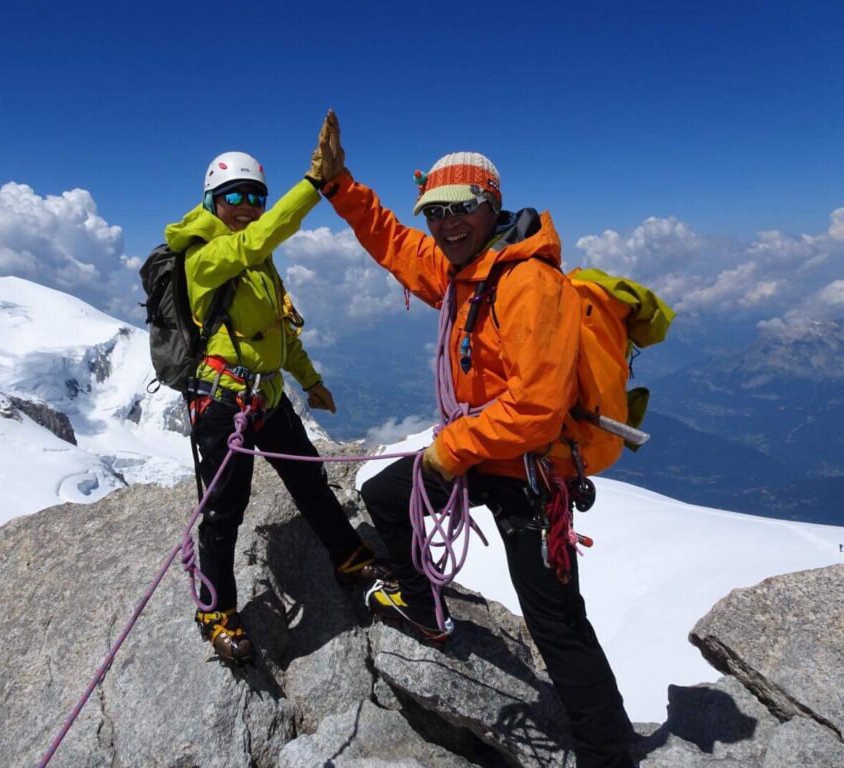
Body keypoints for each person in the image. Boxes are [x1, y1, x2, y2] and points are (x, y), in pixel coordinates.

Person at [316, 115, 636, 767]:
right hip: (478, 453)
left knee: (555, 624)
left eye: (462, 208)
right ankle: (424, 608)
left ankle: (609, 754)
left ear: (491, 206)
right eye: (436, 211)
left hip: (530, 475)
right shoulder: (462, 272)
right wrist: (338, 185)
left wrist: (449, 452)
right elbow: (394, 243)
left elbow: (539, 409)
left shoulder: (527, 283)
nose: (446, 223)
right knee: (385, 495)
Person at [163, 113, 389, 666]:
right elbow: (257, 240)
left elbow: (279, 332)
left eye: (255, 197)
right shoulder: (206, 257)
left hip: (263, 395)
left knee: (308, 478)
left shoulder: (260, 262)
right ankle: (215, 609)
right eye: (234, 195)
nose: (245, 205)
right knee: (222, 509)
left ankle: (347, 555)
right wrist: (313, 185)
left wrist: (311, 382)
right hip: (220, 403)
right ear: (212, 200)